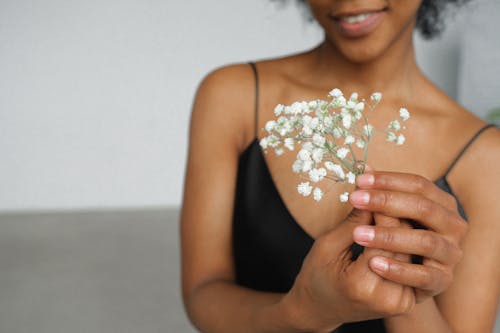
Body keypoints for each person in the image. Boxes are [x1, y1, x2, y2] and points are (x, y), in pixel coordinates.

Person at [180, 0, 500, 332]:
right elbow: (203, 294)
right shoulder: (233, 95)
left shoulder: (486, 156)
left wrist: (402, 288)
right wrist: (306, 312)